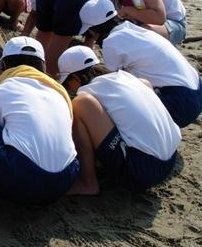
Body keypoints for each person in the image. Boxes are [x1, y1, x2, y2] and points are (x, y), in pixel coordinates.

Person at [0, 36, 78, 213]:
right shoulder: (60, 93)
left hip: (21, 176)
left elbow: (0, 130)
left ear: (5, 66)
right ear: (42, 67)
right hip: (66, 180)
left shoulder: (7, 87)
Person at [58, 46, 181, 195]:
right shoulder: (126, 77)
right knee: (144, 83)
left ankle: (87, 182)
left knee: (82, 104)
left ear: (76, 78)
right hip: (170, 161)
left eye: (67, 85)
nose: (70, 90)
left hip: (141, 171)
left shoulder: (89, 90)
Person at [79, 0, 201, 128]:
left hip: (180, 101)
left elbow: (112, 85)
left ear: (94, 30)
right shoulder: (135, 29)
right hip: (197, 89)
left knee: (118, 108)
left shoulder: (111, 42)